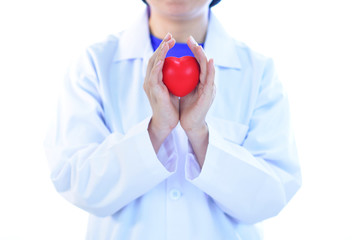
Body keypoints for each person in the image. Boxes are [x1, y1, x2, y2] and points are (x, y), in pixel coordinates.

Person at [44, 0, 302, 239]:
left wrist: (200, 136)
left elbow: (272, 194)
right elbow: (76, 182)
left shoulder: (258, 72)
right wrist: (154, 132)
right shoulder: (94, 65)